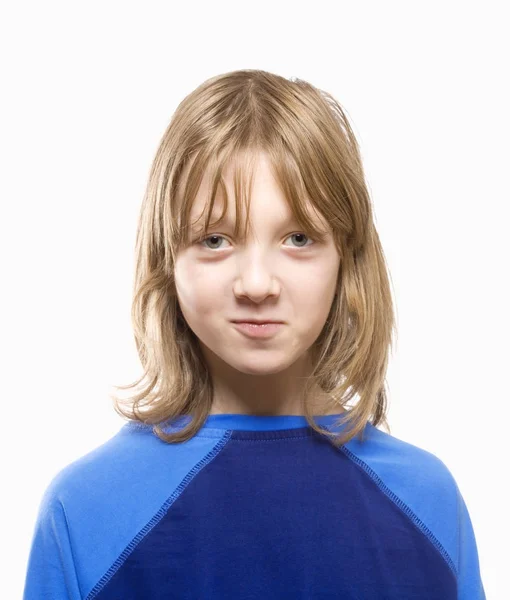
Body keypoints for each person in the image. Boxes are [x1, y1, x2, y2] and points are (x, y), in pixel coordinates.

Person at [23, 69, 486, 599]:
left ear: (347, 258)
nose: (257, 283)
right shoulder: (86, 510)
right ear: (166, 260)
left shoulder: (428, 501)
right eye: (215, 239)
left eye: (297, 238)